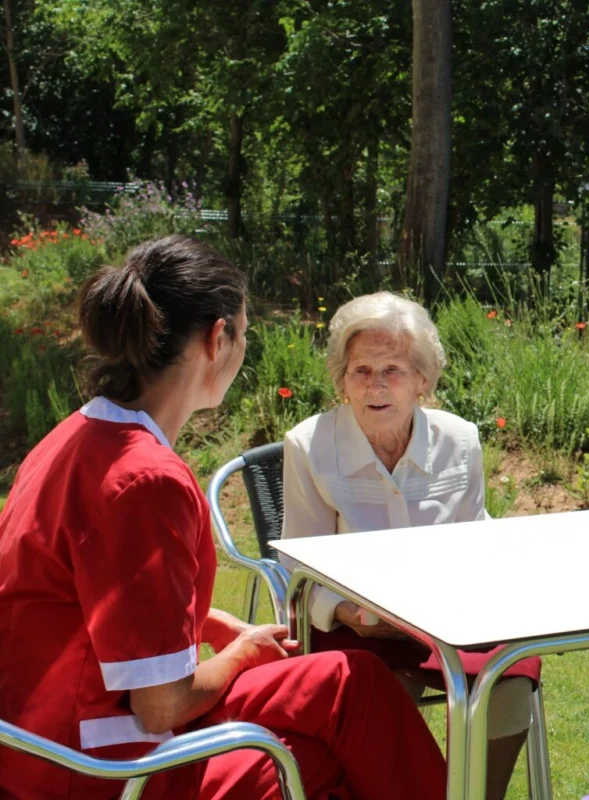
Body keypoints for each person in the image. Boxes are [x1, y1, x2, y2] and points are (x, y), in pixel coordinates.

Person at [0, 236, 445, 800]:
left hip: (35, 746)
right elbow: (162, 704)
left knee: (350, 687)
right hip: (98, 768)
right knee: (330, 732)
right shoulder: (146, 480)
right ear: (218, 339)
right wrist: (240, 654)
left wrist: (209, 624)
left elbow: (90, 593)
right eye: (244, 333)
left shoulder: (74, 438)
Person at [281, 291, 540, 800]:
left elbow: (478, 539)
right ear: (342, 379)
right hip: (358, 630)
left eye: (393, 370)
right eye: (361, 370)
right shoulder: (309, 445)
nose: (376, 385)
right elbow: (297, 563)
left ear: (423, 379)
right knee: (374, 693)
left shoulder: (460, 439)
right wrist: (347, 611)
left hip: (452, 621)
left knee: (510, 676)